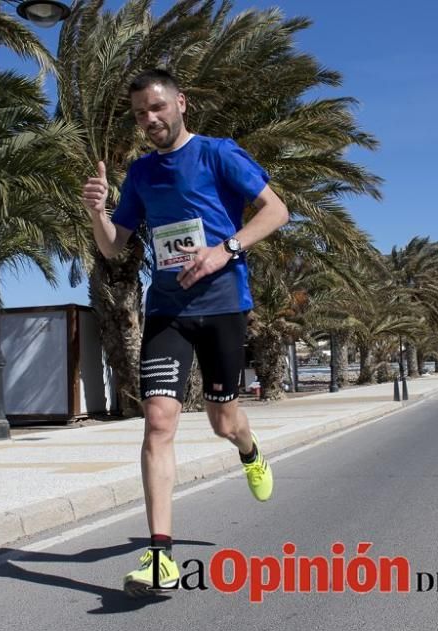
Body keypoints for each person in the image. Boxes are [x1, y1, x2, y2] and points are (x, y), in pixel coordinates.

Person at [81, 69, 290, 596]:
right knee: (158, 422)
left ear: (181, 103)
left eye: (156, 108)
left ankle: (248, 450)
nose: (149, 120)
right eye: (139, 114)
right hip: (168, 310)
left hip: (223, 307)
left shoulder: (219, 154)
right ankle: (160, 556)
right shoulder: (142, 174)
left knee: (223, 419)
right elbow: (113, 246)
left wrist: (227, 250)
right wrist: (97, 211)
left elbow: (277, 211)